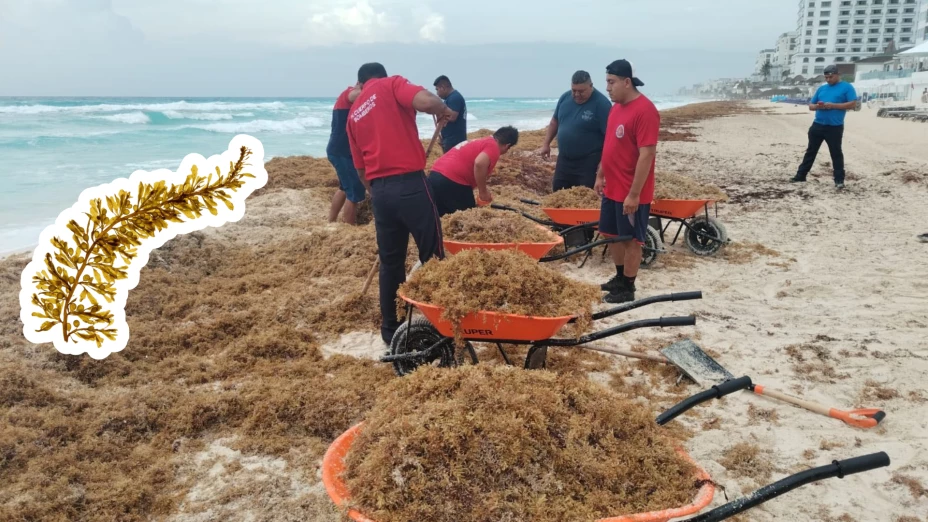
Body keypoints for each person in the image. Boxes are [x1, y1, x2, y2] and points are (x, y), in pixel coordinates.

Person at [346, 62, 455, 345]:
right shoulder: (391, 84)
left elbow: (360, 171)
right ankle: (443, 320)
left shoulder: (353, 115)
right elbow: (425, 101)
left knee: (391, 262)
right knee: (432, 253)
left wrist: (378, 191)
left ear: (360, 84)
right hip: (411, 185)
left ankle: (391, 330)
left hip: (380, 192)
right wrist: (442, 109)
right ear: (379, 77)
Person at [594, 60, 660, 304]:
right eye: (607, 83)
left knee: (631, 240)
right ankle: (620, 277)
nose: (608, 88)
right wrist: (601, 174)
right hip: (612, 186)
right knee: (611, 235)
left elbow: (647, 154)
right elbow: (609, 145)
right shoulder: (615, 108)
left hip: (631, 191)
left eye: (611, 83)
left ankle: (629, 287)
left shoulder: (645, 110)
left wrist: (634, 194)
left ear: (626, 82)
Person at [539, 70, 613, 191]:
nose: (577, 94)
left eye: (581, 91)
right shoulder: (564, 98)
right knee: (558, 193)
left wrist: (603, 163)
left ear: (591, 86)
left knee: (584, 195)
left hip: (588, 162)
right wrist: (546, 144)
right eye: (574, 90)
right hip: (564, 159)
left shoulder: (602, 104)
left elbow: (610, 138)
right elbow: (554, 122)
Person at [790, 64, 857, 189]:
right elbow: (811, 106)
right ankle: (800, 176)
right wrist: (818, 106)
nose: (828, 80)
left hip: (834, 127)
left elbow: (853, 104)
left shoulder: (847, 87)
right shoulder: (822, 89)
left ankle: (839, 180)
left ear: (837, 75)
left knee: (836, 153)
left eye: (830, 77)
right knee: (810, 151)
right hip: (818, 125)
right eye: (826, 77)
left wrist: (833, 105)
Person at [427, 126, 519, 217]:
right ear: (507, 146)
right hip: (452, 181)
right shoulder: (494, 147)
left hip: (434, 175)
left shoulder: (482, 141)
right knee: (469, 217)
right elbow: (479, 163)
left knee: (441, 217)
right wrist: (483, 192)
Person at [326, 83, 364, 224]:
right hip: (342, 152)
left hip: (339, 150)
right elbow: (357, 94)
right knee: (354, 193)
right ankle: (348, 228)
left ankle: (331, 222)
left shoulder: (352, 98)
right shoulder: (349, 94)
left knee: (344, 188)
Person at [433, 75, 467, 152]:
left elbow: (452, 117)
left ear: (443, 87)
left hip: (454, 140)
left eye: (437, 89)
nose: (437, 93)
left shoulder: (454, 98)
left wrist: (438, 109)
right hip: (450, 139)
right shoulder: (449, 98)